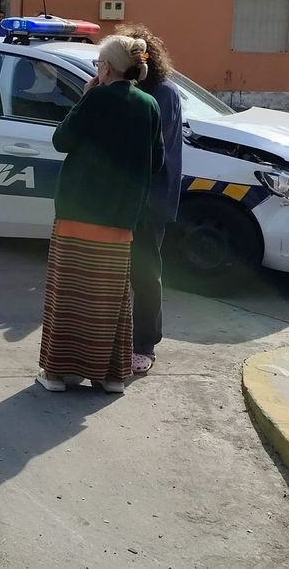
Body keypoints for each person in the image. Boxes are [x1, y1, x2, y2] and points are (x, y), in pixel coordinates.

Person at [36, 34, 163, 394]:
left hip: (78, 211)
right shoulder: (149, 105)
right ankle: (110, 377)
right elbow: (158, 161)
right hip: (122, 219)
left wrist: (85, 97)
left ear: (106, 67)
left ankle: (60, 375)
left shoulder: (97, 98)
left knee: (71, 296)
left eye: (98, 64)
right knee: (109, 301)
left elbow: (62, 141)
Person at [117, 24, 183, 375]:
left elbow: (152, 151)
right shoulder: (132, 91)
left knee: (144, 272)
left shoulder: (163, 94)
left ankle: (145, 344)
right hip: (130, 197)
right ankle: (123, 339)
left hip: (151, 198)